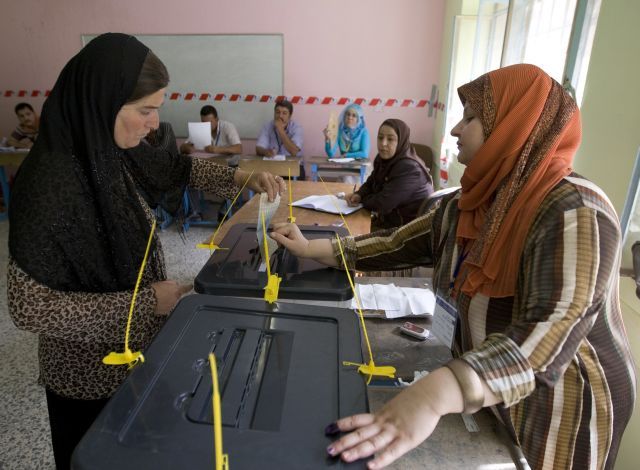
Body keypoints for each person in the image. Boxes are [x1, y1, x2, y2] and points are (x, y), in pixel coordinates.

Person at [271, 64, 636, 469]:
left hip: (561, 403)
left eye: (470, 118)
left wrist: (432, 395)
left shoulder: (575, 211)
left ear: (513, 125)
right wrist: (312, 250)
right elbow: (396, 244)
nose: (456, 130)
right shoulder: (470, 202)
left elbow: (543, 340)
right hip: (481, 384)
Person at [6, 33, 285, 470]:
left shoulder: (110, 150)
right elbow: (28, 307)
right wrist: (141, 304)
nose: (155, 123)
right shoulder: (48, 182)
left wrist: (239, 178)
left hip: (135, 353)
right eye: (146, 110)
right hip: (85, 374)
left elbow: (175, 168)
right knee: (93, 457)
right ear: (104, 102)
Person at [344, 119, 433, 230]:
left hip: (406, 231)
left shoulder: (409, 168)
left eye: (390, 139)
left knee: (349, 234)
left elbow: (383, 203)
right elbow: (371, 182)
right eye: (380, 137)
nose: (383, 143)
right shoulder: (382, 159)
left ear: (401, 141)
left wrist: (362, 200)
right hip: (388, 221)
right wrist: (359, 194)